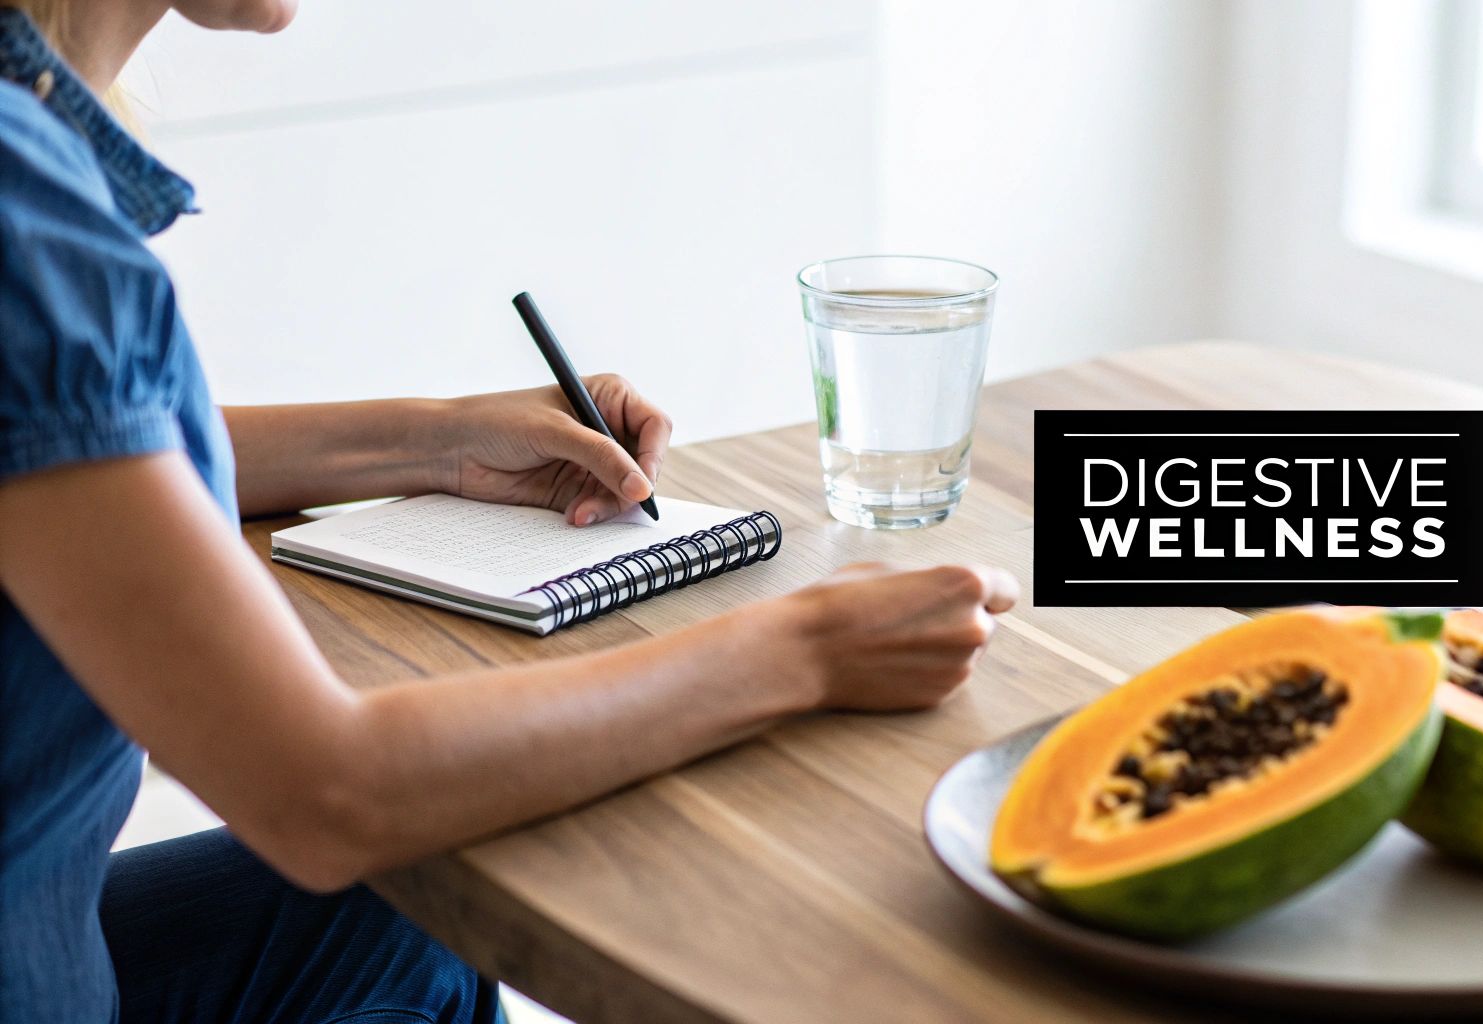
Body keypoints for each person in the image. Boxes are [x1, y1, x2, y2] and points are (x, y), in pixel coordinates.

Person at [0, 2, 1019, 1020]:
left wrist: (439, 436)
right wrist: (806, 645)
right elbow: (324, 793)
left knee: (401, 926)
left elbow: (70, 443)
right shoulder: (26, 220)